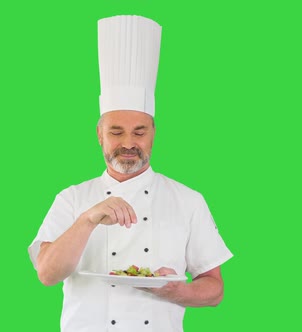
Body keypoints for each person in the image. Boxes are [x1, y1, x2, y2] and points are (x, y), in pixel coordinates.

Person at [28, 15, 233, 331]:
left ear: (153, 133)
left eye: (139, 132)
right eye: (116, 132)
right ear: (99, 135)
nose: (127, 144)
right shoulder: (72, 198)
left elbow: (215, 288)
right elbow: (47, 274)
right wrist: (87, 219)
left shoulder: (188, 200)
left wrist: (181, 291)